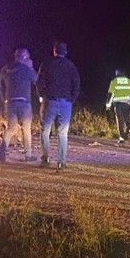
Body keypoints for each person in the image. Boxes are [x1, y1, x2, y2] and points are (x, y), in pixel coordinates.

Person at [39, 41, 81, 169]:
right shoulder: (71, 65)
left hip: (50, 101)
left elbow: (39, 81)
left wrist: (41, 95)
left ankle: (46, 158)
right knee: (63, 133)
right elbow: (76, 83)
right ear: (65, 52)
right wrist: (72, 99)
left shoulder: (47, 63)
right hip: (66, 103)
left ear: (54, 51)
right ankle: (61, 161)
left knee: (45, 130)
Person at [0, 48, 37, 162]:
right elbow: (36, 80)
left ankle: (3, 147)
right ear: (24, 57)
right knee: (26, 129)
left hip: (10, 102)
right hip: (24, 102)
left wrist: (4, 100)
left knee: (11, 128)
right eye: (28, 57)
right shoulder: (27, 69)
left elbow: (1, 86)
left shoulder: (6, 69)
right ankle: (28, 155)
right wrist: (31, 67)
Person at [106, 69, 130, 143]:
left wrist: (108, 104)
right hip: (127, 103)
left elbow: (111, 94)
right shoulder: (129, 81)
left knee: (120, 120)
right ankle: (128, 131)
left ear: (117, 73)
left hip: (118, 104)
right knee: (127, 118)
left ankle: (122, 138)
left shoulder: (114, 81)